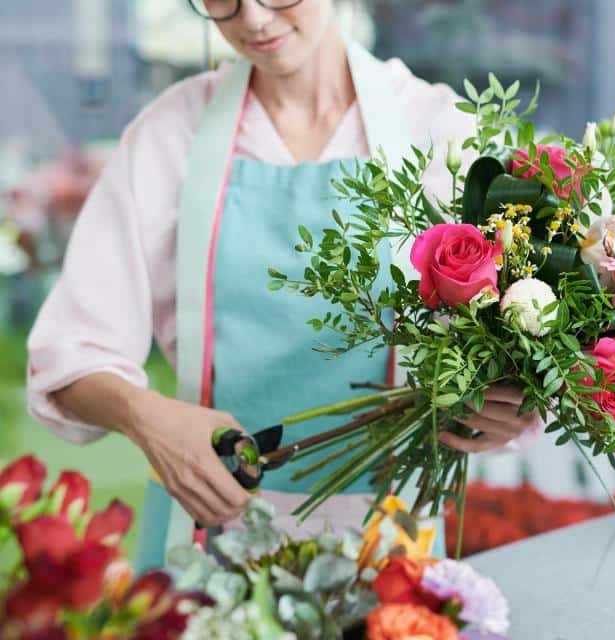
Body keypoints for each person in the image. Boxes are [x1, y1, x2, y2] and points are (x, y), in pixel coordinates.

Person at [26, 0, 541, 570]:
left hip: (392, 556)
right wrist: (146, 418)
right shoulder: (169, 135)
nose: (253, 19)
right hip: (207, 538)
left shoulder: (439, 131)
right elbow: (68, 355)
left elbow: (524, 334)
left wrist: (510, 406)